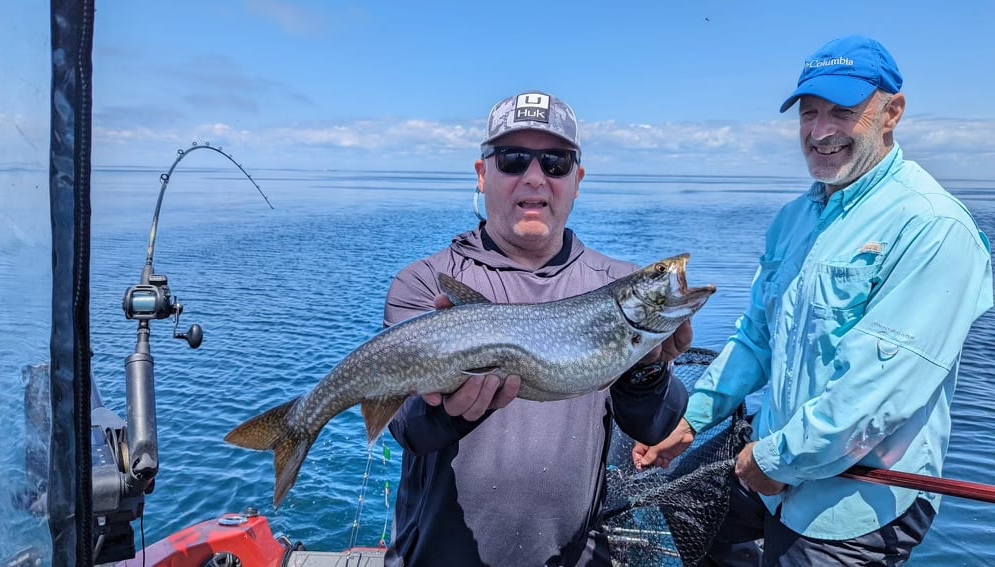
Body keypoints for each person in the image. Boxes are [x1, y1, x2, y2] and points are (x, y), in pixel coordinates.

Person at [634, 35, 994, 566]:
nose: (821, 131)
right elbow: (756, 337)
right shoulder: (793, 219)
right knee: (690, 512)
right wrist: (693, 419)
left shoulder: (934, 227)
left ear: (891, 112)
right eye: (809, 113)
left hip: (855, 503)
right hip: (770, 470)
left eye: (842, 112)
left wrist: (777, 460)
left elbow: (877, 391)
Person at [382, 90, 695, 566]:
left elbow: (655, 425)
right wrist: (451, 409)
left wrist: (647, 371)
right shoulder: (427, 283)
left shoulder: (613, 283)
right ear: (483, 174)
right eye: (512, 159)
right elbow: (409, 429)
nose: (534, 176)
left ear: (577, 180)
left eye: (555, 162)